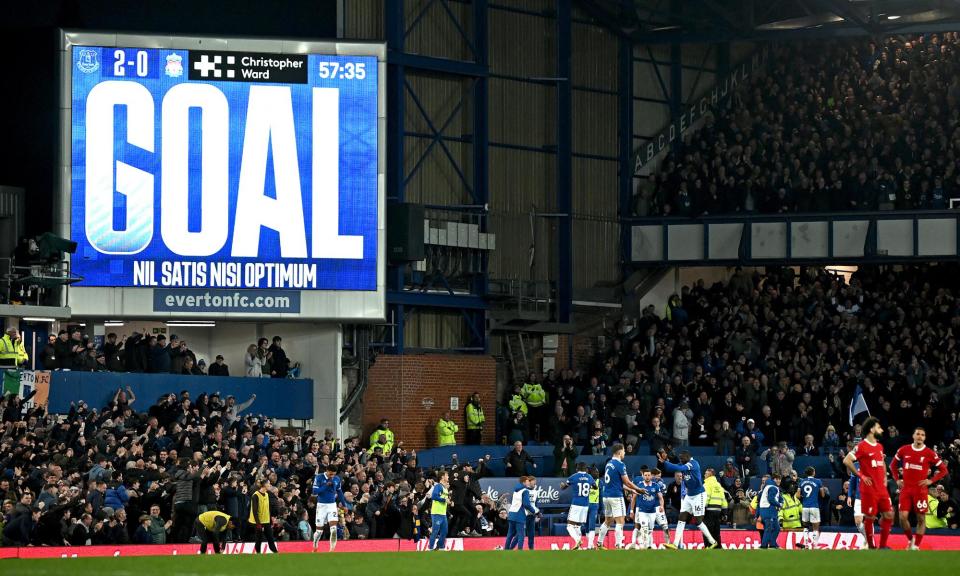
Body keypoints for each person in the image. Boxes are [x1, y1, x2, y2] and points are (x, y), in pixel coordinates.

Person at [890, 426, 949, 550]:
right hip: (906, 489)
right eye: (918, 434)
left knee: (921, 518)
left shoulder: (929, 453)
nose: (920, 436)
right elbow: (892, 465)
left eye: (922, 435)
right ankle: (911, 540)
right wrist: (897, 479)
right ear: (913, 436)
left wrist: (930, 480)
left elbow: (943, 470)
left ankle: (916, 545)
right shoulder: (904, 450)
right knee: (902, 517)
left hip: (920, 490)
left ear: (925, 438)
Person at [843, 416, 895, 549]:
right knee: (870, 517)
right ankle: (872, 546)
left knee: (889, 515)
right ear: (872, 429)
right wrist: (860, 475)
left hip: (881, 489)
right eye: (879, 427)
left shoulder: (879, 446)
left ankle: (882, 545)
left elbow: (881, 462)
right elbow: (847, 460)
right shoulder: (861, 446)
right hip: (868, 490)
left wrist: (884, 476)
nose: (881, 430)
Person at [658, 449, 719, 549]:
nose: (680, 460)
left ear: (687, 457)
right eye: (680, 458)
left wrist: (665, 462)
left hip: (699, 495)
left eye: (682, 458)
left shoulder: (693, 463)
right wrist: (665, 461)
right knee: (681, 518)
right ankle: (675, 544)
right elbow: (672, 467)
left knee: (698, 521)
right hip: (689, 496)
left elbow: (676, 467)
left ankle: (712, 542)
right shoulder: (684, 463)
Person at [598, 443, 644, 549]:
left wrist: (632, 490)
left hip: (606, 496)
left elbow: (617, 482)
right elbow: (627, 482)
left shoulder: (609, 463)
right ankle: (618, 545)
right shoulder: (620, 464)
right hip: (616, 496)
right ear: (619, 452)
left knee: (608, 520)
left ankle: (599, 543)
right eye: (623, 451)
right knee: (620, 521)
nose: (624, 453)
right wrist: (638, 489)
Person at [312, 464, 345, 552]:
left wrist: (344, 504)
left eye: (334, 474)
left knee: (334, 529)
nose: (332, 476)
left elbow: (339, 491)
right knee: (319, 531)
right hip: (321, 506)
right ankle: (315, 546)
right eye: (330, 474)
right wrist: (326, 485)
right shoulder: (319, 477)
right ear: (326, 470)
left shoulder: (337, 479)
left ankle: (331, 551)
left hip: (332, 505)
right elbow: (315, 492)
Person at [560, 462, 593, 549]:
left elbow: (564, 487)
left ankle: (577, 540)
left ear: (577, 469)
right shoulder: (589, 477)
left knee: (569, 526)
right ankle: (579, 547)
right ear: (586, 469)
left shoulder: (573, 477)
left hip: (576, 504)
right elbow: (595, 487)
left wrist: (562, 485)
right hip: (585, 505)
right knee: (578, 525)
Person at [630, 466, 665, 549]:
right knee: (643, 527)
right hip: (641, 510)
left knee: (650, 529)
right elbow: (634, 498)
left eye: (649, 475)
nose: (647, 477)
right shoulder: (639, 485)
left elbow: (660, 497)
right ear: (643, 476)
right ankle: (643, 545)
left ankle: (648, 544)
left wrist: (662, 506)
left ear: (651, 476)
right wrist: (631, 510)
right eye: (645, 475)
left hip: (652, 511)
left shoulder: (655, 486)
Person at [505, 476, 538, 550]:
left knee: (510, 534)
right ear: (524, 482)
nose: (528, 482)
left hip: (511, 514)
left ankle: (506, 550)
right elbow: (526, 504)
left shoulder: (515, 490)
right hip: (519, 514)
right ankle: (520, 551)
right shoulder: (525, 491)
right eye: (527, 481)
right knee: (521, 535)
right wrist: (534, 511)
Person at [249, 479, 277, 554]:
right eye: (269, 483)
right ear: (264, 485)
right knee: (259, 539)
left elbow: (267, 508)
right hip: (257, 521)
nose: (270, 485)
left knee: (270, 538)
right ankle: (258, 553)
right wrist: (258, 524)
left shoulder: (267, 494)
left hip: (266, 520)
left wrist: (270, 520)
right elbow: (255, 511)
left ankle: (276, 553)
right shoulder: (255, 496)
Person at [798, 466, 824, 549]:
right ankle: (815, 545)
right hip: (814, 506)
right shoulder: (818, 481)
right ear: (813, 472)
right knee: (815, 528)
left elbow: (798, 496)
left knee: (806, 527)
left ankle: (806, 544)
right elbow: (823, 495)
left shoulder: (802, 482)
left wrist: (804, 496)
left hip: (805, 506)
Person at [703, 468, 727, 547]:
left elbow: (706, 497)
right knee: (716, 531)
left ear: (710, 475)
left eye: (706, 473)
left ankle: (708, 546)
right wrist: (725, 512)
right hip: (718, 511)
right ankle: (718, 547)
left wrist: (703, 509)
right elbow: (723, 499)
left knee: (707, 530)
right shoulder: (718, 484)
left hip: (709, 510)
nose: (704, 475)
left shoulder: (706, 484)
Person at [757, 474, 783, 549]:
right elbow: (771, 499)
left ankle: (773, 544)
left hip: (769, 510)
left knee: (777, 528)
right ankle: (763, 546)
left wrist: (781, 502)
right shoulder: (772, 487)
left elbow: (779, 498)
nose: (778, 481)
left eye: (779, 479)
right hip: (768, 510)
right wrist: (779, 505)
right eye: (776, 479)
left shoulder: (769, 486)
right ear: (773, 479)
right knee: (769, 528)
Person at [428, 472, 450, 551]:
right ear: (442, 477)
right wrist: (444, 500)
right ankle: (430, 549)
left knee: (444, 532)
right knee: (435, 532)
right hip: (436, 513)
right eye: (447, 475)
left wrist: (449, 501)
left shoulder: (445, 488)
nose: (448, 476)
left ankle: (440, 548)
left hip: (443, 514)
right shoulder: (438, 486)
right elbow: (434, 496)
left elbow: (444, 499)